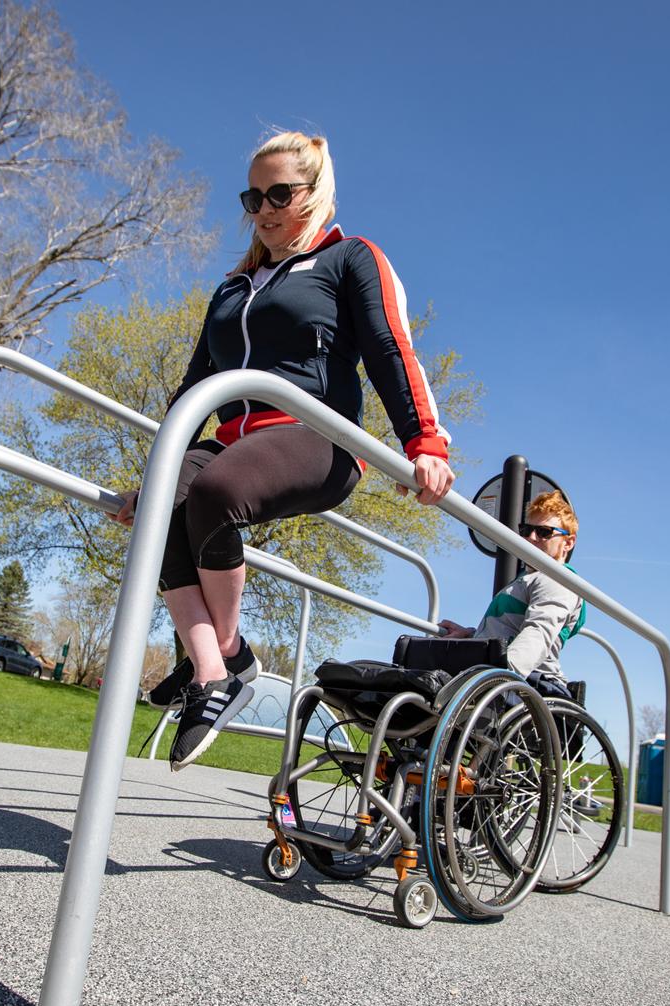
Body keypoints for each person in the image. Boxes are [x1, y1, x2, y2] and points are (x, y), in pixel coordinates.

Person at [113, 130, 456, 771]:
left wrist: (425, 441)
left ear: (315, 192)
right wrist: (151, 476)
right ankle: (218, 667)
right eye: (252, 196)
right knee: (167, 503)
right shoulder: (231, 288)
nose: (264, 208)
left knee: (214, 493)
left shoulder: (348, 258)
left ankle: (218, 667)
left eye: (279, 192)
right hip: (233, 440)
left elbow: (390, 348)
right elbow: (193, 389)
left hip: (316, 439)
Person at [437, 489, 586, 695]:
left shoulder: (558, 580)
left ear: (568, 543)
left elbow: (538, 634)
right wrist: (471, 635)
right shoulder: (524, 580)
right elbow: (508, 631)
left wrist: (496, 678)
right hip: (504, 673)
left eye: (544, 532)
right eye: (526, 530)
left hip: (531, 682)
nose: (532, 537)